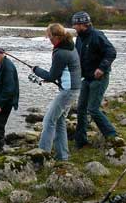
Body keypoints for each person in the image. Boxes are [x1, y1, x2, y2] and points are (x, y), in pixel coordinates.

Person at [32, 23, 81, 161]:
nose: (48, 39)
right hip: (74, 89)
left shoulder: (61, 52)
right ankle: (62, 156)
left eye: (49, 36)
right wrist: (52, 77)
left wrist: (36, 69)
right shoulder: (70, 46)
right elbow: (64, 71)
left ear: (56, 36)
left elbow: (51, 76)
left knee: (48, 121)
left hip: (68, 92)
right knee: (59, 121)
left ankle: (42, 155)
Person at [72, 11, 118, 149]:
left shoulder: (97, 35)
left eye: (75, 24)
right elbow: (77, 57)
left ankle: (112, 135)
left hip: (100, 78)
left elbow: (111, 52)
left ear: (83, 24)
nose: (74, 27)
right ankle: (81, 141)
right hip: (86, 78)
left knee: (93, 109)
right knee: (81, 108)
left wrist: (102, 68)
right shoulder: (79, 38)